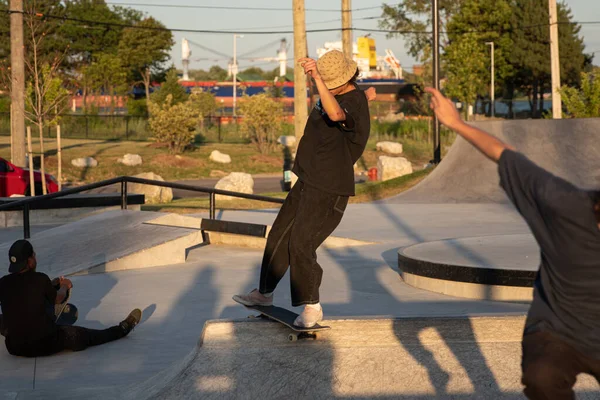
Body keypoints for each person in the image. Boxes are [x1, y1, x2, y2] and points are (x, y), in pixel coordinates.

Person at [426, 87, 600, 400]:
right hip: (556, 331)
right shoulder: (562, 204)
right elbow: (505, 153)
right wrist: (456, 123)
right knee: (541, 377)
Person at [233, 50, 372, 327]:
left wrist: (319, 78)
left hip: (329, 187)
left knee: (301, 243)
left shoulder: (351, 101)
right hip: (308, 179)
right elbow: (356, 96)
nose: (324, 85)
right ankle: (264, 294)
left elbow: (335, 113)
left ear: (342, 80)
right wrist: (315, 73)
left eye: (328, 81)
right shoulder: (353, 94)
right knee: (279, 236)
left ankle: (312, 306)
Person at [0, 239, 142, 357]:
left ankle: (26, 326)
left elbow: (23, 293)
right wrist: (65, 285)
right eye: (34, 256)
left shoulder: (3, 282)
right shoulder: (40, 279)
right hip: (45, 343)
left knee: (6, 316)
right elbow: (58, 298)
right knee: (86, 335)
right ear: (30, 261)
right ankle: (122, 329)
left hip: (15, 348)